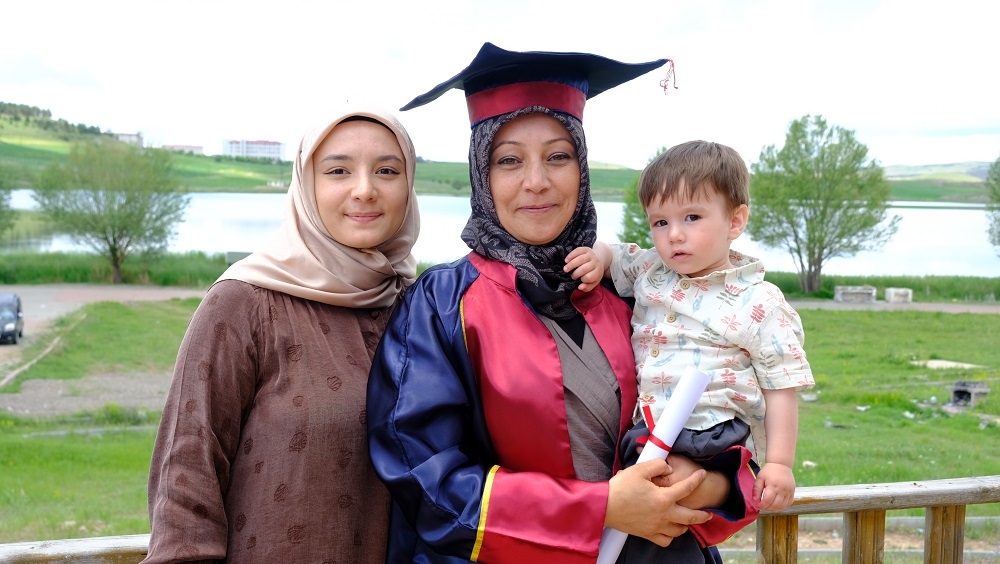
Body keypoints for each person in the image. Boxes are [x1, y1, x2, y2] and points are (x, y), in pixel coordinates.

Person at [366, 43, 758, 563]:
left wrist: (709, 483)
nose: (537, 182)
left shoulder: (636, 286)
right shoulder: (441, 305)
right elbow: (425, 479)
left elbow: (727, 419)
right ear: (481, 173)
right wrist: (600, 509)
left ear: (582, 167)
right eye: (509, 160)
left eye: (558, 156)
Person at [143, 105, 420, 563]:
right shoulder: (244, 302)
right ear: (306, 185)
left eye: (387, 171)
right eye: (338, 171)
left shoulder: (423, 307)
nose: (365, 189)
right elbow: (187, 479)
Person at [566, 140, 815, 516]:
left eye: (692, 218)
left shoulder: (759, 301)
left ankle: (718, 493)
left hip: (713, 428)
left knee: (671, 486)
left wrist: (780, 463)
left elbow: (780, 386)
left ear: (735, 221)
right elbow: (615, 253)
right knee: (639, 491)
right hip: (650, 425)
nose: (674, 235)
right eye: (660, 222)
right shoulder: (651, 268)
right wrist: (596, 258)